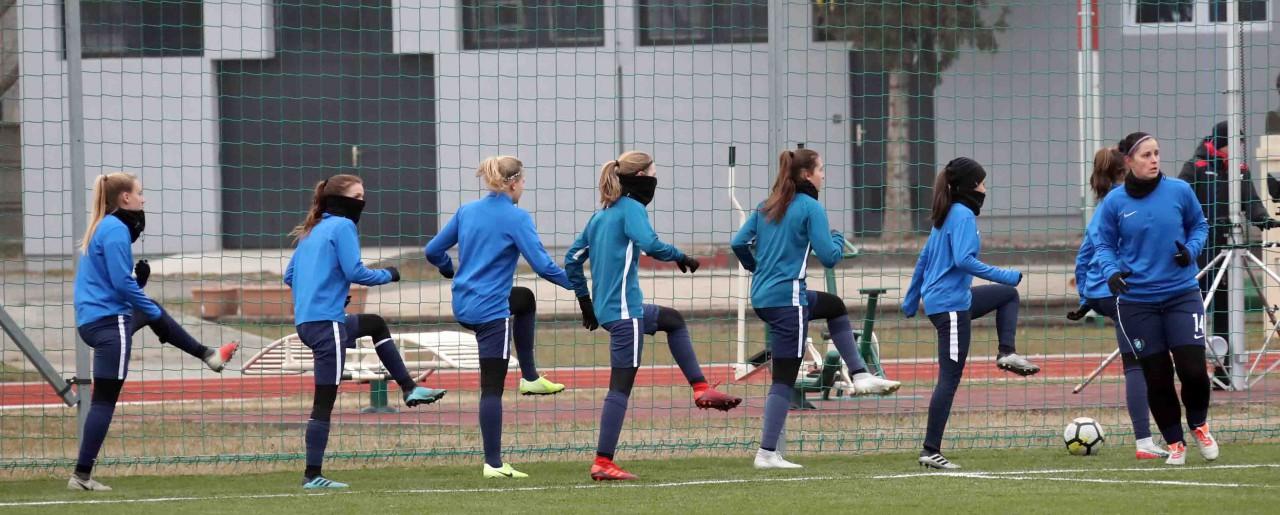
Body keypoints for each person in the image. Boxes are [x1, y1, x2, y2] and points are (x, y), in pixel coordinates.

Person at [566, 151, 742, 481]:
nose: (656, 179)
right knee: (619, 389)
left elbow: (571, 259)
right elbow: (650, 243)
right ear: (642, 176)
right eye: (654, 172)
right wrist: (681, 256)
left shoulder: (601, 216)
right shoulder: (631, 208)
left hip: (614, 311)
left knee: (673, 321)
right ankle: (603, 462)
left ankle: (701, 388)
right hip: (625, 314)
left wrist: (586, 303)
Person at [730, 148, 902, 470]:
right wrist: (837, 238)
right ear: (807, 174)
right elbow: (830, 257)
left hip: (765, 298)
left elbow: (738, 243)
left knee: (834, 307)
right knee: (784, 378)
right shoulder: (811, 208)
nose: (824, 175)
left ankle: (860, 374)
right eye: (821, 169)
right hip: (788, 301)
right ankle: (766, 453)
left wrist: (757, 267)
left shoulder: (767, 205)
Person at [69, 173, 239, 491]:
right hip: (109, 323)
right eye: (140, 193)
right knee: (104, 401)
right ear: (125, 198)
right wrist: (145, 301)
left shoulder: (103, 226)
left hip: (92, 320)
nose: (143, 199)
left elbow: (113, 283)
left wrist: (142, 288)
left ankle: (208, 354)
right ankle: (81, 476)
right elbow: (121, 284)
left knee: (152, 311)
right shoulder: (116, 229)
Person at [285, 174, 446, 489]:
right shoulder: (344, 226)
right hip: (326, 325)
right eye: (358, 196)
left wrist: (324, 292)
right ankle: (312, 475)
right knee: (323, 402)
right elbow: (355, 272)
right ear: (341, 200)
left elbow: (290, 276)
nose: (362, 201)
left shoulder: (312, 229)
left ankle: (409, 388)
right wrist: (390, 274)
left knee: (373, 323)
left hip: (309, 323)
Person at [426, 156, 575, 479]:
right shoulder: (517, 217)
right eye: (523, 181)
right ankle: (493, 464)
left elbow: (432, 251)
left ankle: (531, 377)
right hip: (490, 312)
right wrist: (579, 287)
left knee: (524, 299)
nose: (524, 186)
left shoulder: (467, 211)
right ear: (513, 183)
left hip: (463, 304)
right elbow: (544, 266)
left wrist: (448, 270)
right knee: (491, 389)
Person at [903, 157, 1040, 470]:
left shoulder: (948, 212)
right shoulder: (962, 214)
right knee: (949, 379)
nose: (985, 189)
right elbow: (963, 260)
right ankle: (930, 450)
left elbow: (924, 259)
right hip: (949, 308)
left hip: (954, 300)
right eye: (982, 183)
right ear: (970, 186)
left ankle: (1007, 352)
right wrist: (1006, 274)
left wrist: (911, 300)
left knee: (1007, 296)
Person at [1092, 132, 1219, 465]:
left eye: (1157, 153)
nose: (1154, 160)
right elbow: (1103, 244)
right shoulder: (1115, 202)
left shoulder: (1179, 190)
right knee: (1157, 375)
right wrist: (1111, 271)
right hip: (1137, 302)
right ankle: (1175, 442)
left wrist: (1190, 251)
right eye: (1146, 155)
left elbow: (1200, 226)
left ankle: (1199, 424)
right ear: (1129, 161)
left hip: (1181, 294)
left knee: (1193, 370)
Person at [1068, 147, 1169, 460]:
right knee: (1137, 365)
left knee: (1146, 357)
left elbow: (1084, 255)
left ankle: (1159, 434)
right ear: (1126, 170)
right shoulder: (1123, 203)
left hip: (1101, 294)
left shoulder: (1105, 204)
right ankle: (1144, 441)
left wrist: (1086, 298)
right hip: (1119, 293)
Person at [1177, 121, 1280, 388]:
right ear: (1223, 142)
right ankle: (1192, 368)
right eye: (1237, 142)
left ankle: (1223, 371)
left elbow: (1251, 202)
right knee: (1195, 309)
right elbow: (1178, 205)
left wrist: (1263, 218)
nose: (1241, 148)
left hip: (1230, 251)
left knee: (1225, 310)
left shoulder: (1240, 170)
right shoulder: (1196, 167)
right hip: (1199, 251)